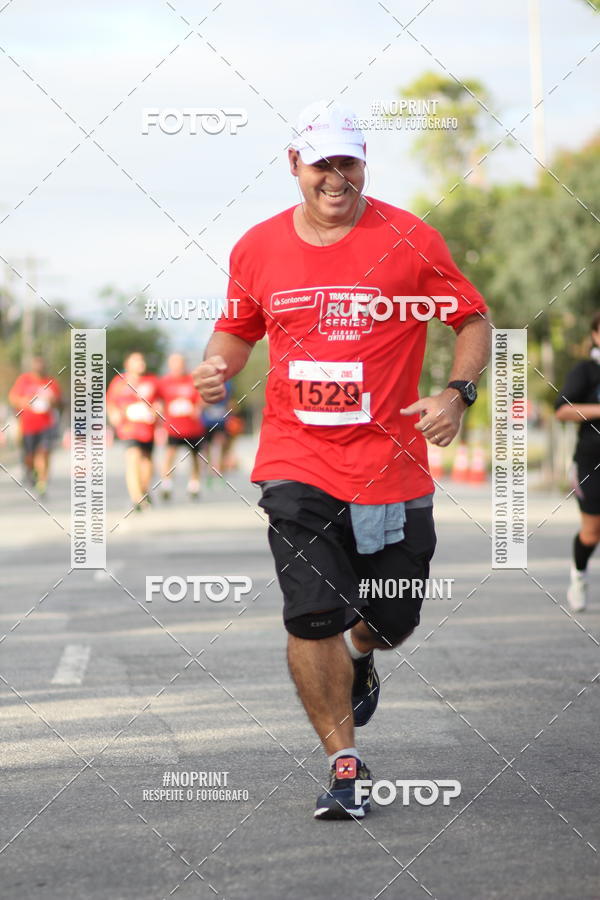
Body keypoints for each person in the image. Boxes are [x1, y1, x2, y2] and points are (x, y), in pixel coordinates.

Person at [194, 100, 490, 820]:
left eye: (347, 163)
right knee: (312, 614)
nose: (335, 177)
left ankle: (362, 653)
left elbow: (473, 319)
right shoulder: (258, 247)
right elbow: (238, 329)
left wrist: (457, 394)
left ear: (364, 165)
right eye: (320, 163)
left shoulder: (411, 238)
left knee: (393, 619)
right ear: (294, 164)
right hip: (296, 460)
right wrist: (217, 366)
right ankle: (343, 766)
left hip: (391, 466)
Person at [555, 312, 600, 612]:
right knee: (592, 531)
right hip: (591, 462)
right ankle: (579, 576)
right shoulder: (585, 371)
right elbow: (562, 410)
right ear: (595, 335)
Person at [106, 351, 160, 511]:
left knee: (147, 462)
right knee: (133, 457)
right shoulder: (119, 382)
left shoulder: (152, 381)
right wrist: (114, 414)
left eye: (142, 360)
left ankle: (144, 489)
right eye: (136, 361)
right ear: (128, 364)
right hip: (128, 428)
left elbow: (160, 402)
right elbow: (110, 402)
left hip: (147, 428)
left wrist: (156, 411)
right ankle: (136, 498)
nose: (140, 363)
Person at [8, 355, 62, 495]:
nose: (39, 367)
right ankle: (32, 471)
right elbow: (13, 398)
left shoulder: (51, 382)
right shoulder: (24, 380)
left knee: (44, 452)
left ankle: (42, 482)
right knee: (30, 456)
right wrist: (23, 401)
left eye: (41, 364)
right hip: (28, 426)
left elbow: (59, 402)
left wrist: (52, 401)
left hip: (47, 425)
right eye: (37, 364)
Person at [158, 352, 205, 500]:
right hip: (173, 427)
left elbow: (203, 399)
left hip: (192, 427)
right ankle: (167, 484)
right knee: (169, 455)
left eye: (180, 363)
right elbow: (157, 400)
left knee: (195, 457)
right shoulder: (164, 382)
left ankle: (194, 484)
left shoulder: (193, 380)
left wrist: (197, 407)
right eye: (174, 363)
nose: (178, 366)